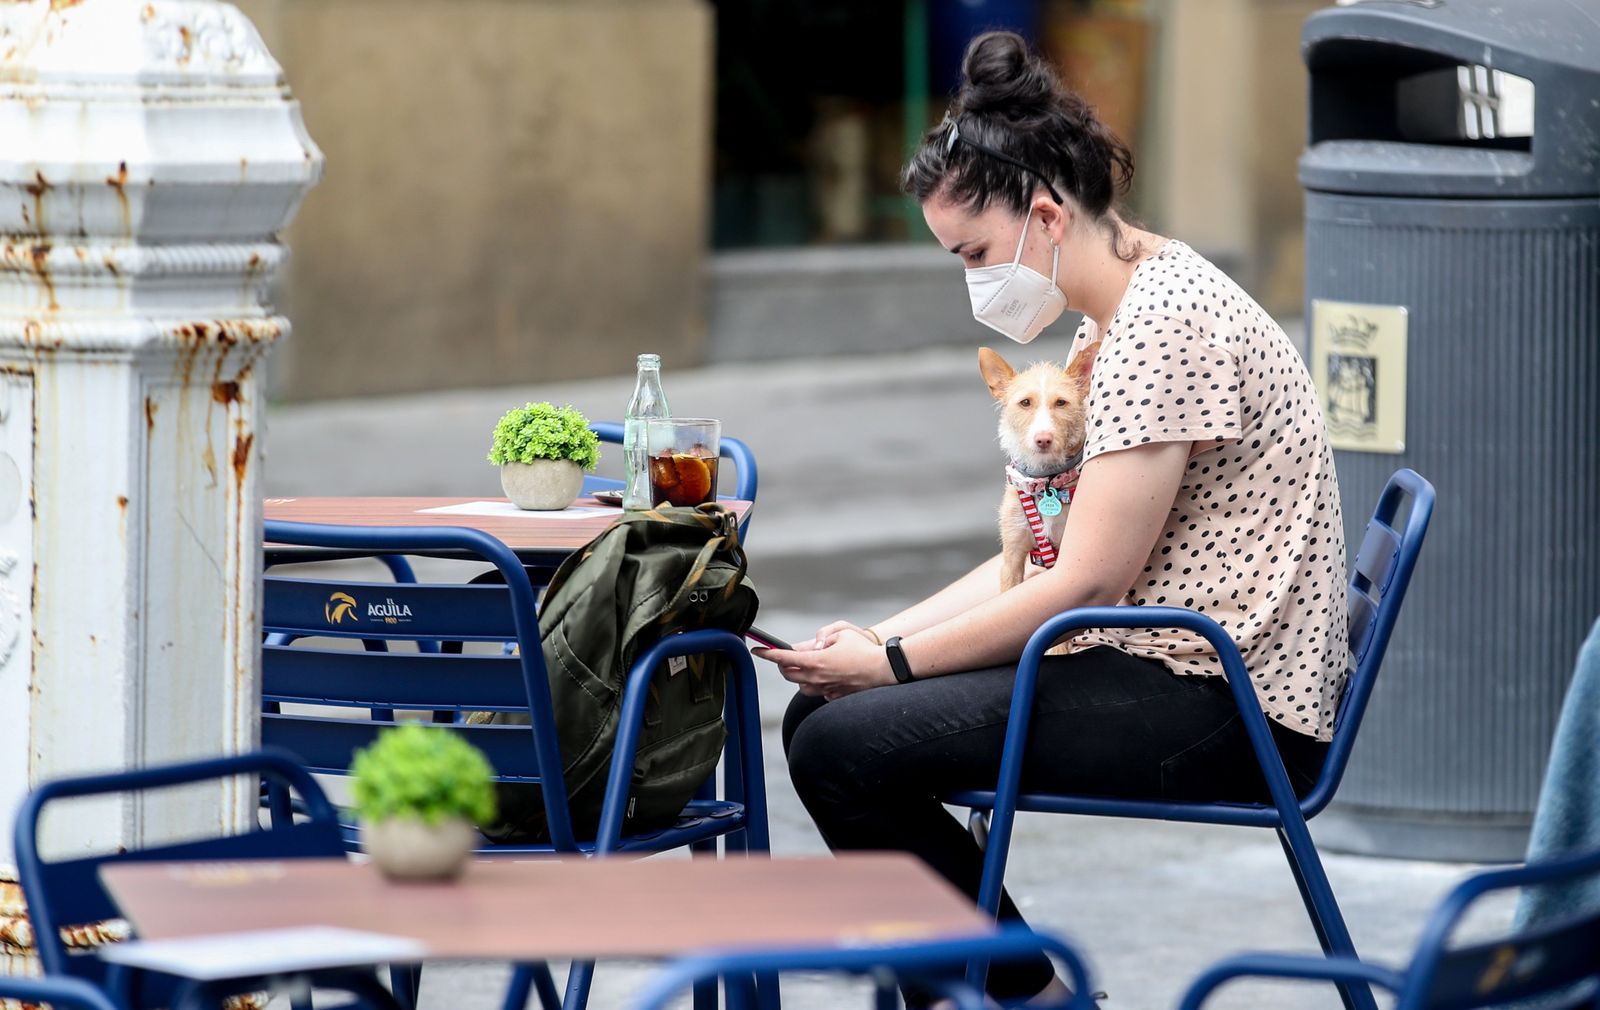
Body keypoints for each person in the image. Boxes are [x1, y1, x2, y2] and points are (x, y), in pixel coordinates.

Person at [752, 30, 1348, 1006]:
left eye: (975, 253)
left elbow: (1084, 582)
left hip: (1221, 700)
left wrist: (892, 663)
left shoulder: (1161, 325)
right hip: (1169, 661)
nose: (973, 282)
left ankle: (1015, 994)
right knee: (829, 711)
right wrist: (877, 636)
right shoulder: (1116, 310)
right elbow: (1041, 552)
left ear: (1042, 213)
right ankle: (1006, 986)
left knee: (834, 744)